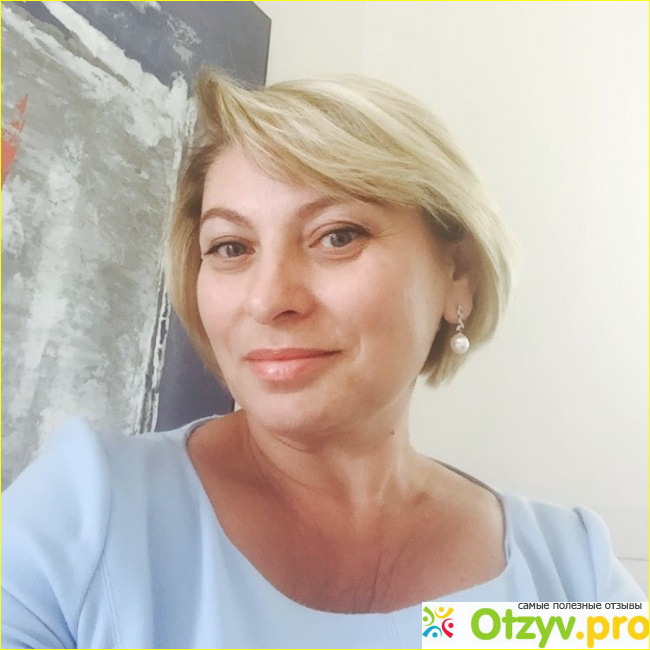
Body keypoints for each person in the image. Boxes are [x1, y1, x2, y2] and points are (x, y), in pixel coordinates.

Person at [1, 69, 644, 650]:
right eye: (230, 247)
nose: (269, 299)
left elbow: (431, 634)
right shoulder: (85, 513)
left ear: (458, 276)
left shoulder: (569, 572)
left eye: (337, 236)